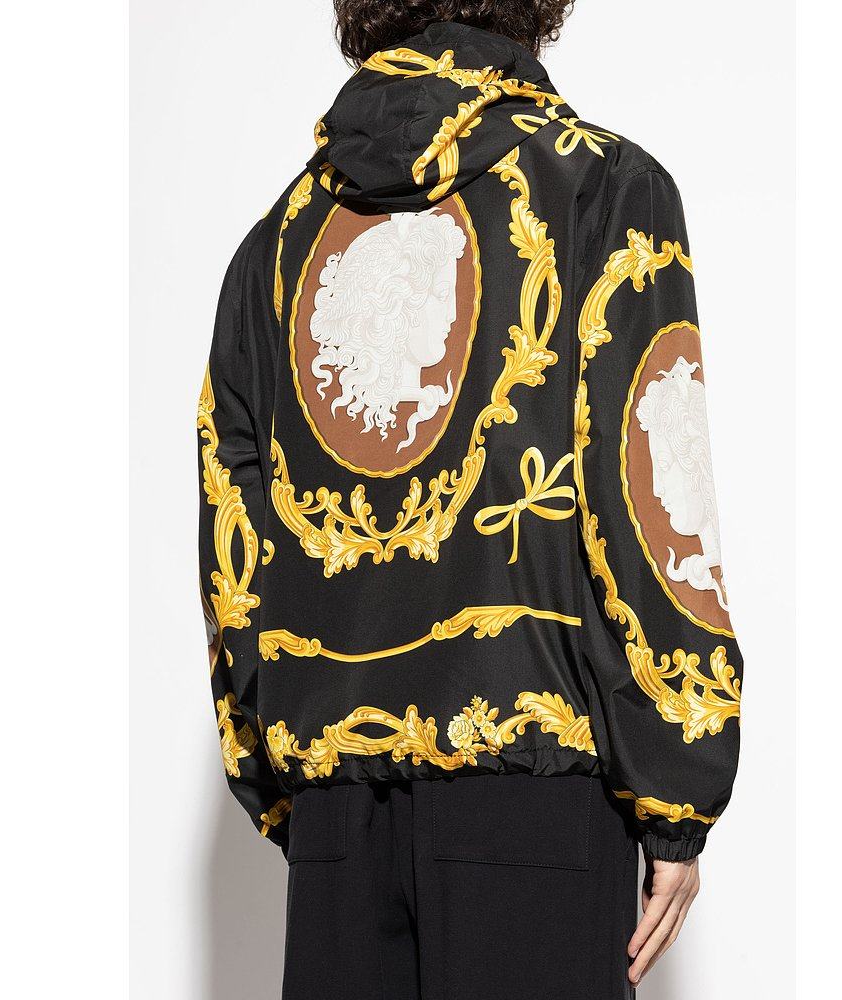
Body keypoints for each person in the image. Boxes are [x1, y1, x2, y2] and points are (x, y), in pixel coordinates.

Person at [197, 2, 744, 996]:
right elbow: (648, 492)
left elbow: (231, 524)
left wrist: (288, 786)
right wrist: (680, 785)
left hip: (334, 820)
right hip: (535, 805)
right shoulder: (603, 187)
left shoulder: (275, 244)